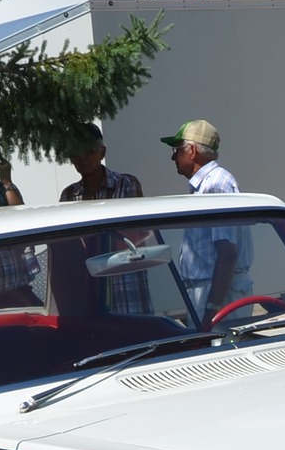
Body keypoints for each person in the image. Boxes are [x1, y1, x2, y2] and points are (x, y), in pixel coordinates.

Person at [161, 119, 251, 318]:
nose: (173, 157)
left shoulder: (215, 185)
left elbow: (227, 254)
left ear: (192, 151)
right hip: (214, 290)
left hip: (218, 293)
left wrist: (212, 307)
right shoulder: (209, 184)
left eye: (177, 150)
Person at [58, 123, 142, 203]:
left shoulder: (126, 184)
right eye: (76, 152)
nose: (82, 157)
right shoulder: (68, 195)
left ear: (102, 153)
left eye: (89, 151)